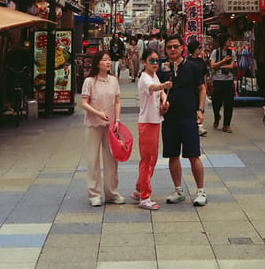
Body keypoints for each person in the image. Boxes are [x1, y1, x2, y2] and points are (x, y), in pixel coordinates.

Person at [158, 33, 207, 206]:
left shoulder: (192, 67)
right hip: (169, 118)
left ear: (182, 48)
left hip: (188, 116)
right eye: (169, 47)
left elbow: (202, 88)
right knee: (172, 155)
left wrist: (200, 110)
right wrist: (161, 103)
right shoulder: (162, 68)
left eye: (175, 46)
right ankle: (178, 189)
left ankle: (200, 191)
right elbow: (158, 90)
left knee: (194, 155)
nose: (172, 49)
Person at [80, 49, 125, 207]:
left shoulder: (113, 80)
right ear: (97, 63)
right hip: (93, 124)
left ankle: (112, 192)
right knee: (92, 159)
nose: (107, 62)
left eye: (109, 59)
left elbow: (117, 101)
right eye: (104, 59)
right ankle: (95, 194)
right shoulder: (90, 81)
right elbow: (84, 103)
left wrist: (117, 119)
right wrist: (98, 113)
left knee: (112, 158)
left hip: (111, 124)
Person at [132, 48, 172, 210]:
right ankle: (144, 196)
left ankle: (139, 188)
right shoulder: (144, 78)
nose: (155, 64)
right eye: (152, 61)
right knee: (147, 159)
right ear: (144, 62)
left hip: (154, 121)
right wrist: (165, 85)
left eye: (157, 61)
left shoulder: (152, 75)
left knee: (152, 158)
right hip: (147, 122)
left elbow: (160, 91)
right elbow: (155, 87)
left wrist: (164, 100)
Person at [209, 32, 237, 132]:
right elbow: (212, 65)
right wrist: (223, 61)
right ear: (224, 42)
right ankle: (217, 117)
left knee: (229, 103)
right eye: (229, 40)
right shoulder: (215, 52)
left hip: (228, 80)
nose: (230, 42)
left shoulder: (232, 53)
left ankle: (226, 125)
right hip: (217, 80)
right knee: (216, 103)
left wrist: (219, 66)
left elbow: (231, 66)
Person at [187, 38, 208, 136]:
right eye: (199, 48)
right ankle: (195, 125)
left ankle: (199, 125)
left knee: (200, 106)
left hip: (200, 88)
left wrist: (205, 87)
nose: (200, 49)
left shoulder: (202, 62)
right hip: (190, 88)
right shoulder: (187, 62)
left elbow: (204, 76)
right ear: (194, 49)